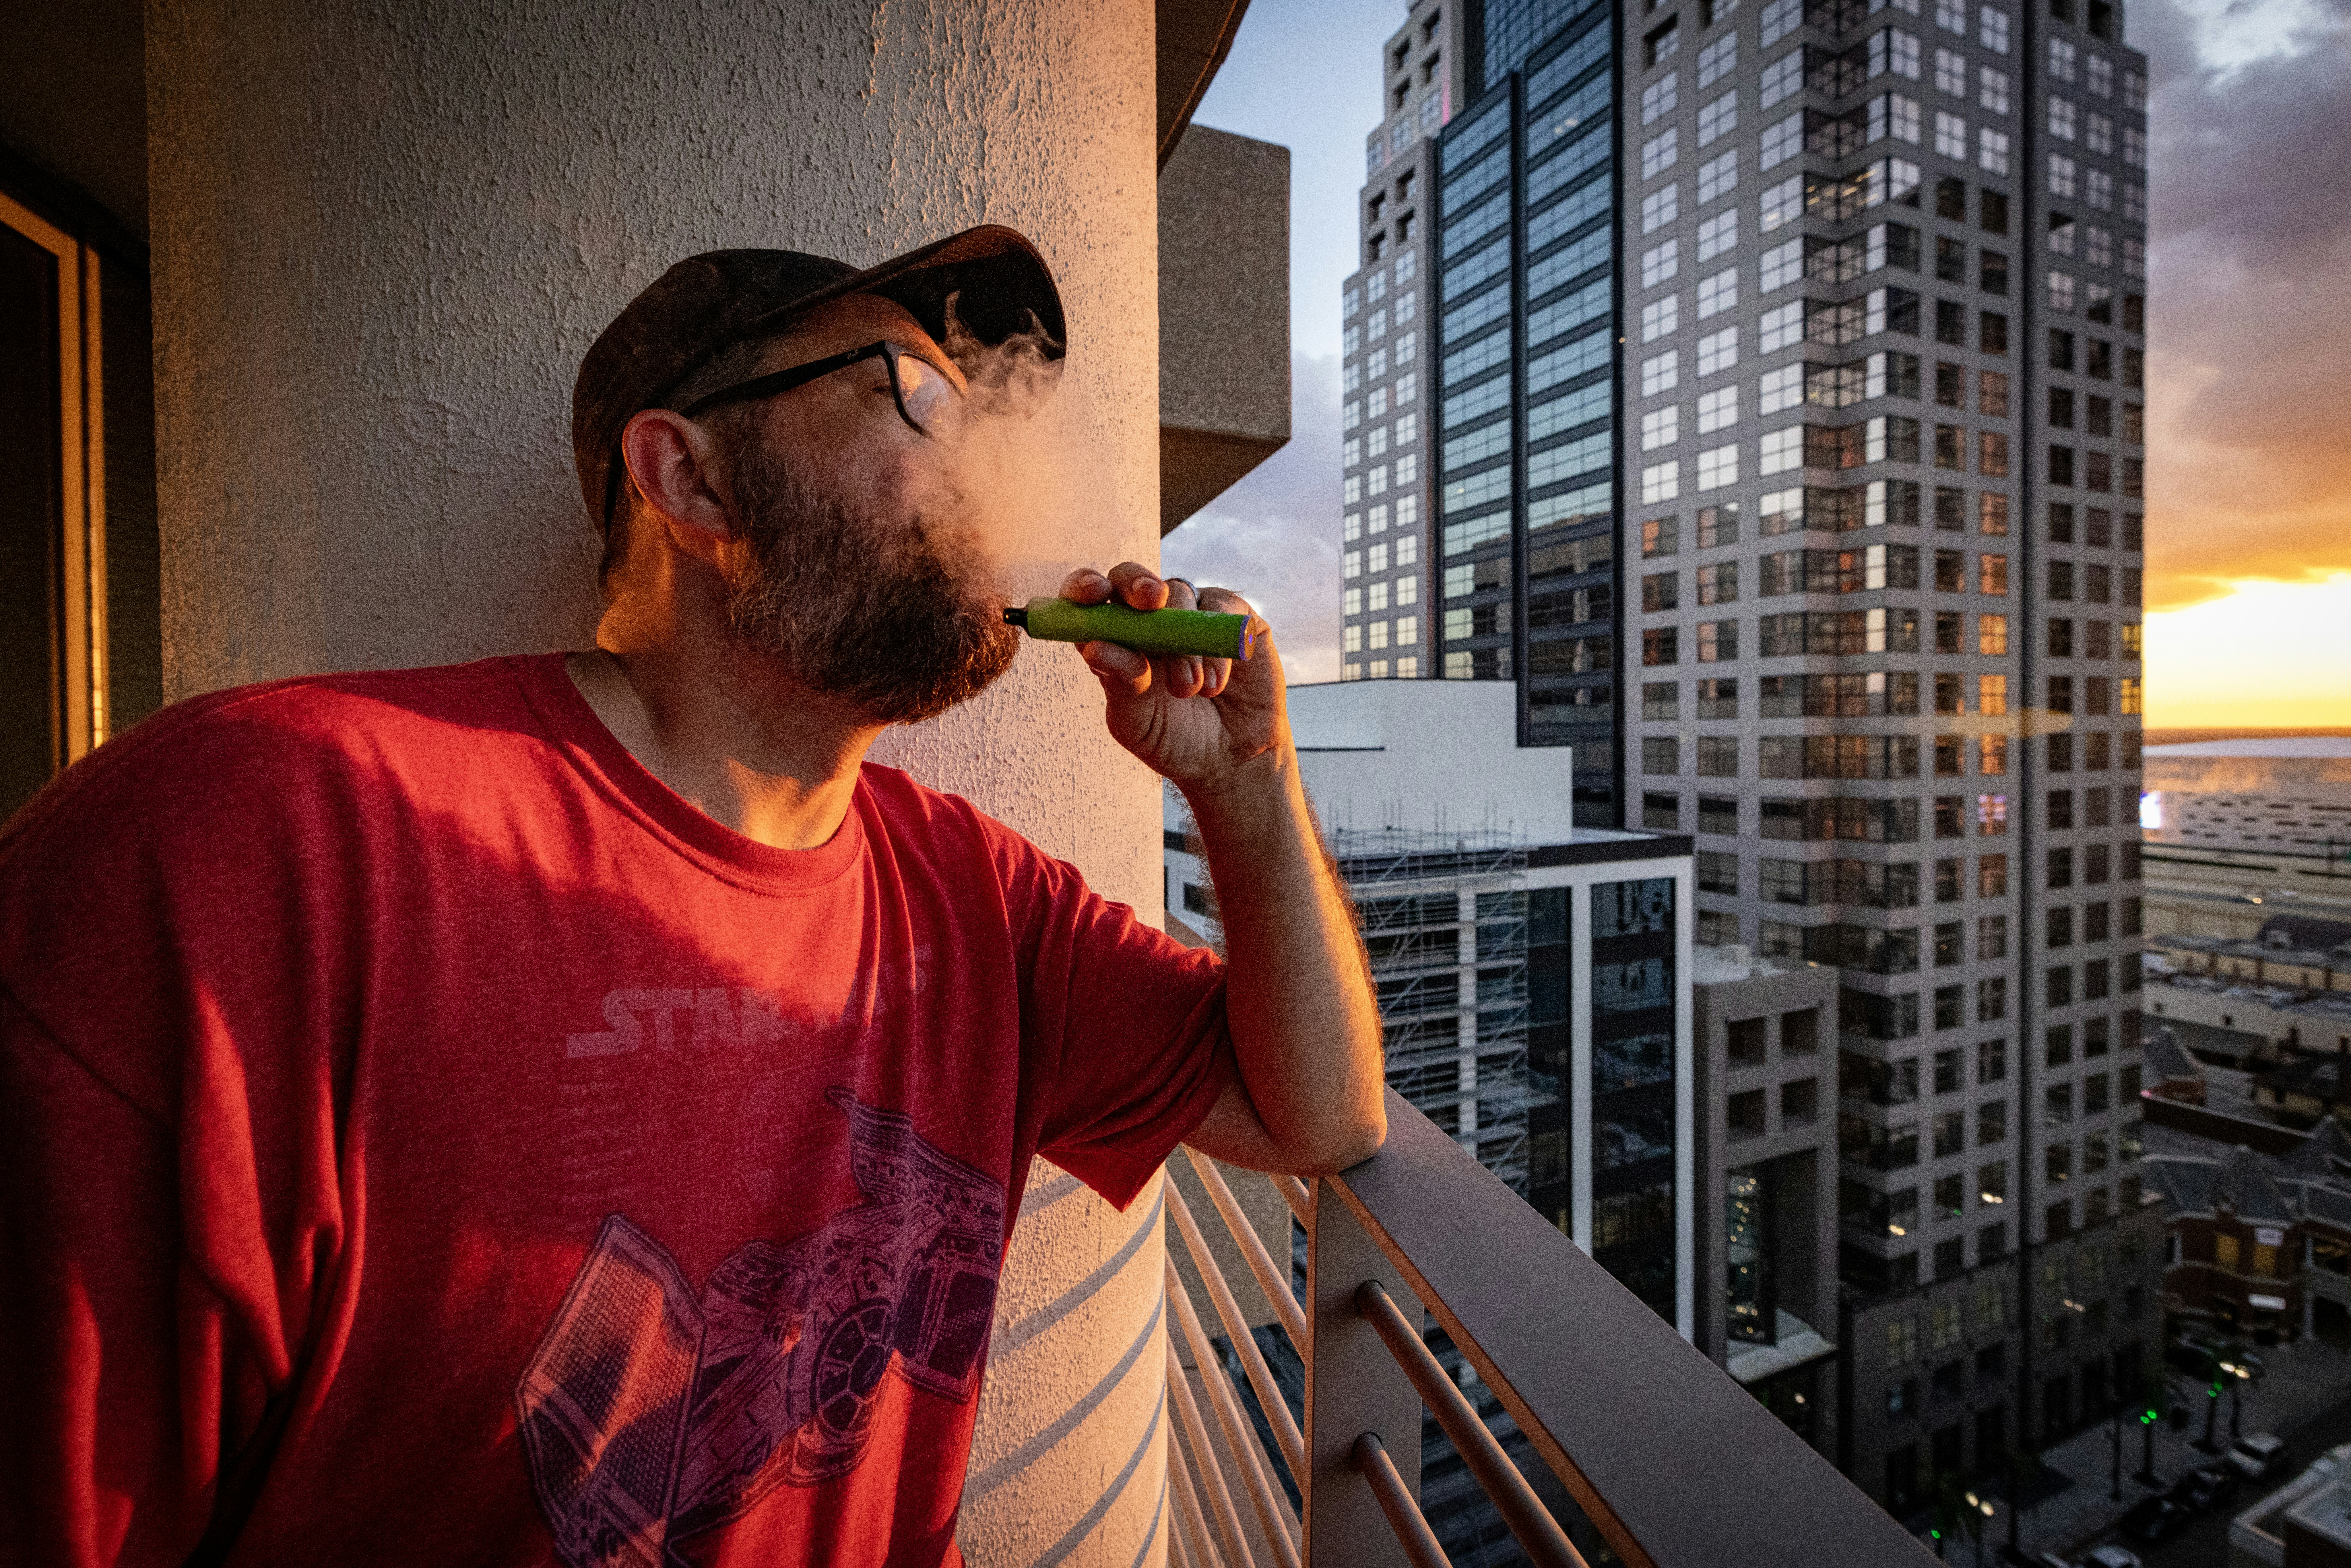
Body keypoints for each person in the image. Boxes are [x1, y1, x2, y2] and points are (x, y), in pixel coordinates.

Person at [0, 226, 1384, 1567]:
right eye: (914, 397)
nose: (982, 461)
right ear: (693, 483)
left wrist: (1248, 783)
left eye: (987, 415)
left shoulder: (978, 897)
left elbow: (1311, 1114)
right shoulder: (256, 837)